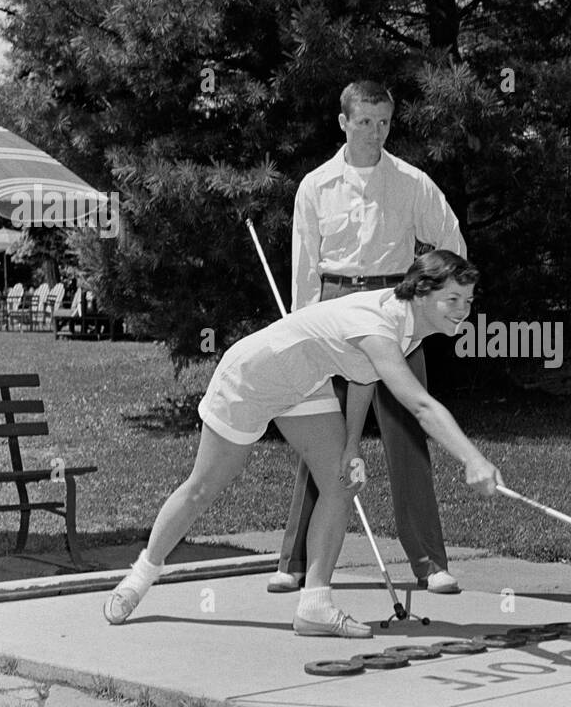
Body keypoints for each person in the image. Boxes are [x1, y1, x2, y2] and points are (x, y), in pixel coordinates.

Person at [103, 250, 502, 638]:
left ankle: (314, 605)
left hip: (304, 384)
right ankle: (140, 577)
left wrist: (350, 447)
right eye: (451, 299)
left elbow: (363, 377)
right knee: (203, 488)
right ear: (420, 292)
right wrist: (472, 459)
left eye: (467, 300)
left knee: (341, 483)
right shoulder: (380, 324)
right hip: (252, 377)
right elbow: (419, 405)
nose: (462, 310)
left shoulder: (405, 322)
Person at [270, 80, 468, 596]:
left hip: (393, 313)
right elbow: (304, 268)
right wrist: (300, 331)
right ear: (343, 122)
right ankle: (294, 561)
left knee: (407, 436)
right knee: (323, 437)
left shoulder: (411, 182)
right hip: (333, 315)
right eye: (364, 122)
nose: (374, 132)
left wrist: (428, 297)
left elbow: (452, 246)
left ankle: (429, 562)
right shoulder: (314, 185)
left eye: (383, 122)